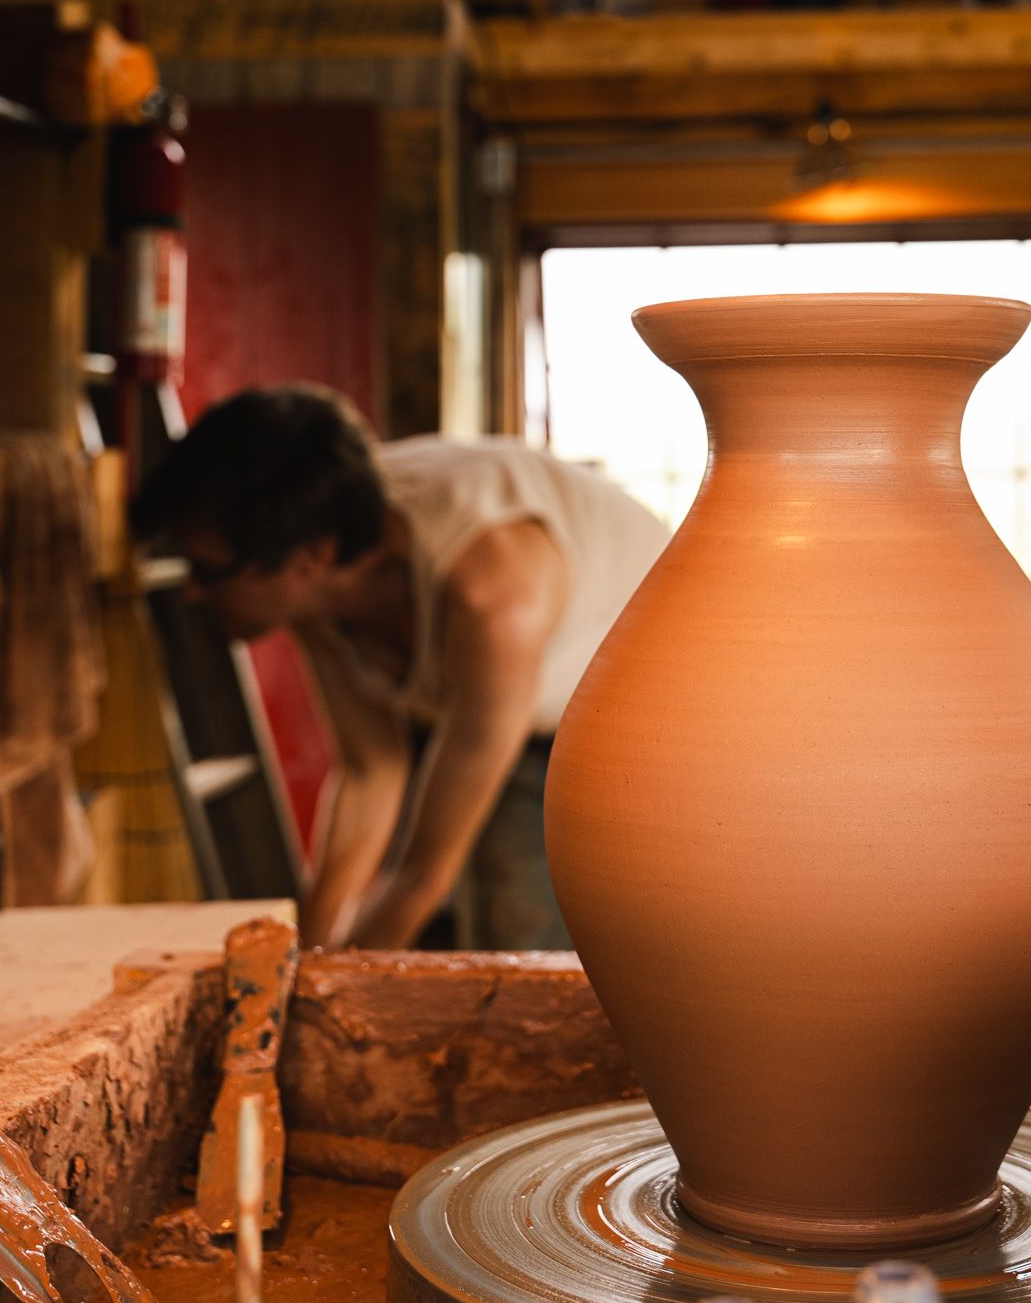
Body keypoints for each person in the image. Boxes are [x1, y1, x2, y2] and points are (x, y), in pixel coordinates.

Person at [131, 386, 667, 950]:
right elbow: (370, 769)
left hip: (643, 719)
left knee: (521, 933)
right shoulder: (320, 553)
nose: (192, 593)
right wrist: (308, 953)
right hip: (505, 701)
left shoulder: (493, 599)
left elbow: (423, 875)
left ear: (309, 559)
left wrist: (329, 996)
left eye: (207, 571)